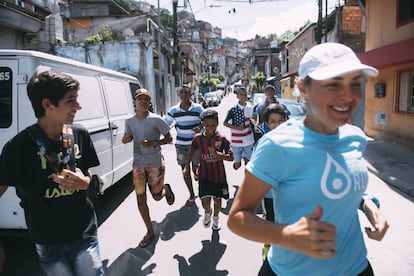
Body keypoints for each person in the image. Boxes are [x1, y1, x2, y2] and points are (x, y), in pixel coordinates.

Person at [227, 42, 390, 275]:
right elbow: (237, 218)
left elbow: (344, 186)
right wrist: (286, 235)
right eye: (333, 85)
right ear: (303, 88)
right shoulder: (277, 144)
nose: (348, 96)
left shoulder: (355, 138)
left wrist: (369, 207)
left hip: (357, 268)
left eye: (355, 84)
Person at [0, 68, 104, 275]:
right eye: (70, 100)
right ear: (47, 105)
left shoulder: (80, 134)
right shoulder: (18, 146)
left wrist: (85, 182)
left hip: (84, 232)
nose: (78, 106)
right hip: (47, 239)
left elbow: (88, 174)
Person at [122, 88, 175, 248]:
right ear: (134, 102)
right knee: (140, 198)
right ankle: (150, 231)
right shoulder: (129, 121)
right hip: (138, 165)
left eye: (146, 99)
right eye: (140, 99)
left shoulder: (156, 119)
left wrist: (153, 143)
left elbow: (169, 138)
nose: (144, 102)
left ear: (149, 102)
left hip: (155, 163)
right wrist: (127, 137)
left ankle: (165, 189)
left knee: (157, 196)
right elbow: (125, 140)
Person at [183, 109, 233, 231]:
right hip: (204, 174)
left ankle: (216, 218)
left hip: (219, 176)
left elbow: (231, 157)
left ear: (217, 123)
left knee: (217, 199)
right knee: (205, 200)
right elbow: (191, 151)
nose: (210, 128)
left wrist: (218, 155)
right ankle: (208, 212)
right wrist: (186, 166)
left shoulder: (222, 139)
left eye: (213, 125)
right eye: (207, 125)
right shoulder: (198, 139)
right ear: (203, 124)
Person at [252, 103, 289, 259]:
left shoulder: (295, 141)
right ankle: (267, 248)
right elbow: (256, 168)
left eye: (281, 120)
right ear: (267, 124)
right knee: (270, 221)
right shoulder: (263, 143)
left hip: (290, 193)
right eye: (273, 121)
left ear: (287, 120)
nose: (277, 124)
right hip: (270, 194)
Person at [164, 85, 204, 206]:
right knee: (184, 171)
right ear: (179, 95)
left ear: (191, 95)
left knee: (195, 170)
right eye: (182, 93)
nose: (184, 95)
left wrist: (200, 127)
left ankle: (198, 178)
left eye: (187, 93)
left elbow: (206, 121)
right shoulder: (174, 111)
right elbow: (165, 125)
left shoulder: (198, 108)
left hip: (196, 145)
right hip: (181, 145)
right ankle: (191, 194)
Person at [223, 87, 254, 170]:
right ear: (237, 96)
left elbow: (252, 121)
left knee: (249, 163)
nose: (243, 96)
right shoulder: (233, 109)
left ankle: (247, 181)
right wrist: (236, 128)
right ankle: (236, 162)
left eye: (245, 94)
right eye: (241, 94)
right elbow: (225, 123)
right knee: (238, 165)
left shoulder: (250, 108)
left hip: (248, 140)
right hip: (236, 141)